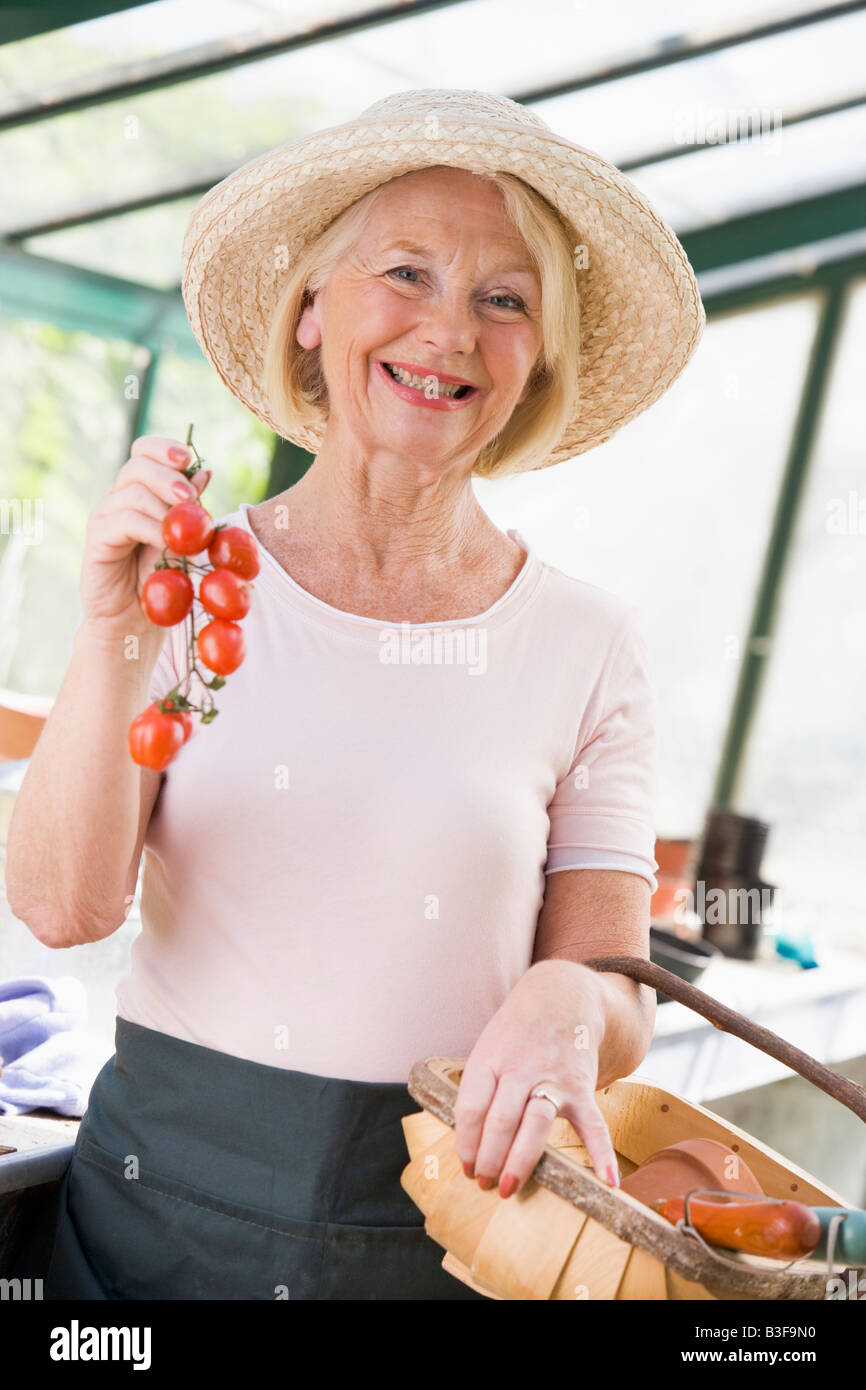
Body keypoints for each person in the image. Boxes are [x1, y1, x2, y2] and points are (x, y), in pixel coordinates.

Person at [6, 88, 704, 1300]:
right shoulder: (189, 583)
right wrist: (113, 628)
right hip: (143, 1234)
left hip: (440, 1241)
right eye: (407, 274)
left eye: (503, 298)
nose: (449, 330)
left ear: (533, 358)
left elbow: (617, 990)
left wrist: (571, 1002)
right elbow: (60, 909)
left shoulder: (586, 643)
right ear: (314, 309)